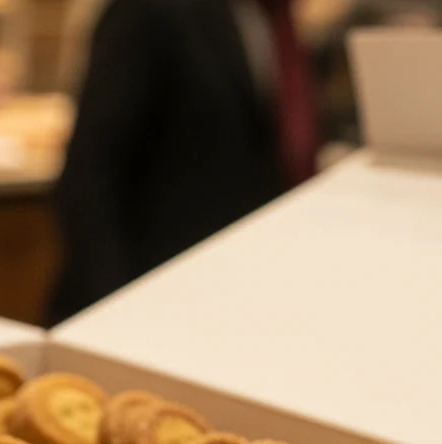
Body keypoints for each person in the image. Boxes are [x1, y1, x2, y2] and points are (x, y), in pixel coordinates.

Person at [50, 0, 319, 324]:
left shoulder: (270, 18)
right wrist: (115, 311)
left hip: (236, 293)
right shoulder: (151, 9)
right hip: (155, 295)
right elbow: (89, 172)